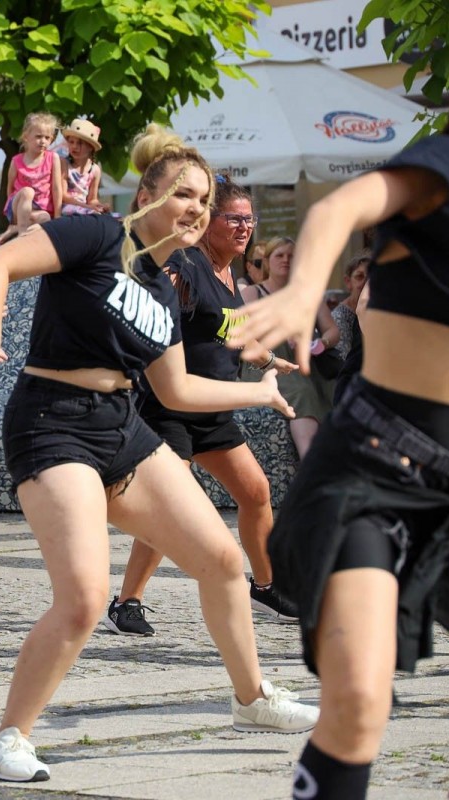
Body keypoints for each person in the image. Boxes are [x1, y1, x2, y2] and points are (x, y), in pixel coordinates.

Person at [0, 123, 318, 783]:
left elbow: (173, 387)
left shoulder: (164, 283)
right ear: (146, 191)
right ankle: (7, 739)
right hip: (52, 422)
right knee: (86, 596)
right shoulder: (96, 234)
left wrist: (256, 393)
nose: (196, 210)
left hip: (122, 426)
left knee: (223, 560)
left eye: (204, 200)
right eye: (184, 194)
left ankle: (252, 697)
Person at [227, 37, 449, 800]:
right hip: (373, 476)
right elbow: (340, 207)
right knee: (361, 703)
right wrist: (305, 292)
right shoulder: (448, 167)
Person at [106, 177, 299, 637]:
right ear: (210, 221)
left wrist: (272, 360)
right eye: (233, 217)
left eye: (248, 219)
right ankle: (126, 601)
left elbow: (231, 337)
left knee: (255, 491)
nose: (243, 227)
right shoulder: (184, 265)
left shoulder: (231, 276)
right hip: (169, 406)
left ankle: (266, 586)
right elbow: (145, 302)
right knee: (170, 507)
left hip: (213, 410)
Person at [242, 237, 339, 459]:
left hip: (305, 363)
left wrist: (319, 343)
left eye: (292, 255)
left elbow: (333, 331)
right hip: (267, 364)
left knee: (332, 388)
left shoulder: (308, 295)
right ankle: (310, 463)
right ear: (266, 261)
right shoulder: (252, 294)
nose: (286, 260)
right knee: (302, 393)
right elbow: (242, 335)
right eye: (279, 255)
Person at [3, 112, 63, 237]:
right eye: (38, 136)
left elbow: (56, 188)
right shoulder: (16, 161)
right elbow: (10, 189)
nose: (43, 141)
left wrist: (57, 216)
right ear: (26, 137)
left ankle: (16, 228)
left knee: (46, 218)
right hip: (18, 205)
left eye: (47, 138)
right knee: (27, 192)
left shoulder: (53, 158)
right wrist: (12, 216)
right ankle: (22, 231)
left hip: (38, 210)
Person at [59, 118, 108, 216]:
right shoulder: (64, 163)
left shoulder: (95, 170)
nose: (74, 146)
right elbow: (63, 196)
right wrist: (86, 207)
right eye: (71, 142)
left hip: (85, 209)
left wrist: (100, 206)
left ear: (90, 147)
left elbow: (92, 199)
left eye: (80, 143)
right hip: (66, 208)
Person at [331, 249, 369, 361]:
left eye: (370, 277)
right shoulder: (340, 317)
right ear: (348, 282)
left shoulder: (378, 311)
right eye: (359, 277)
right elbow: (345, 358)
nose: (365, 282)